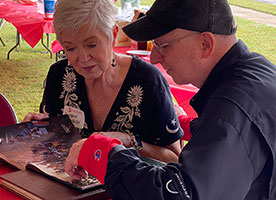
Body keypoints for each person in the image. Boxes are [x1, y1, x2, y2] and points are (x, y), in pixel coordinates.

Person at [64, 0, 276, 199]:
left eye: (163, 45)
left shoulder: (231, 108)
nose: (154, 58)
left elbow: (178, 193)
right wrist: (196, 126)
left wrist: (102, 153)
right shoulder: (257, 70)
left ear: (205, 43)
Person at [23, 0, 185, 163]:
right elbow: (55, 142)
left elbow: (174, 159)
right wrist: (36, 130)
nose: (83, 58)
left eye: (91, 45)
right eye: (70, 48)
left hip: (132, 187)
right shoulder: (60, 75)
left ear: (113, 34)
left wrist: (127, 141)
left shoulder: (147, 82)